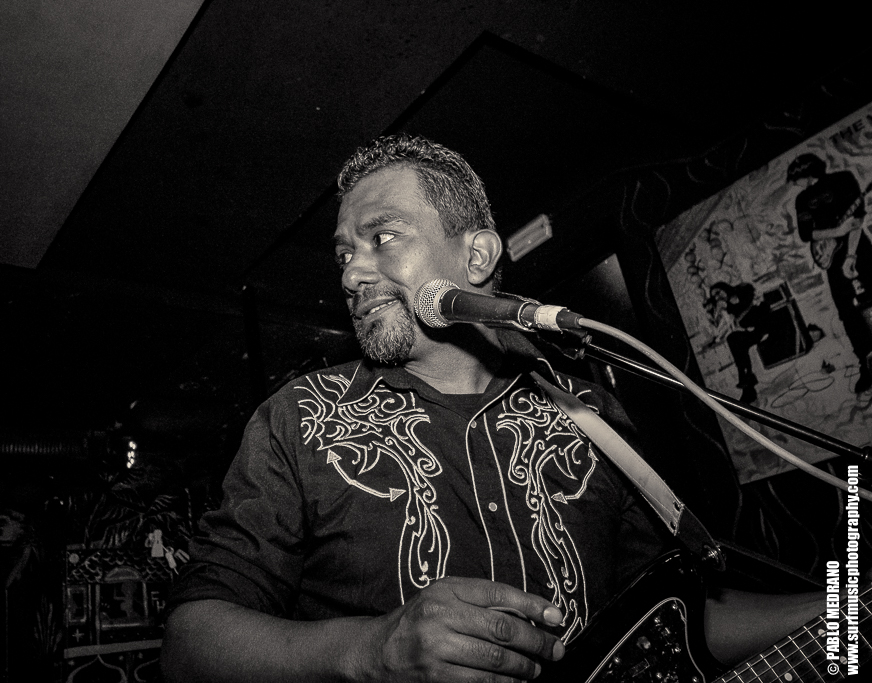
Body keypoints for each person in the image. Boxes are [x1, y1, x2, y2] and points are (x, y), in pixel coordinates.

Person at [161, 134, 825, 682]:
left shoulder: (588, 414)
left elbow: (673, 614)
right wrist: (370, 649)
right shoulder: (300, 417)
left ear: (475, 255)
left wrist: (843, 608)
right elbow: (190, 644)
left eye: (382, 238)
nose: (352, 274)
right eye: (344, 254)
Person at [788, 152, 872, 393]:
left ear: (805, 173)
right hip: (832, 260)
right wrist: (836, 232)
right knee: (847, 312)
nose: (795, 184)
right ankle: (866, 363)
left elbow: (856, 221)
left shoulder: (843, 179)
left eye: (796, 178)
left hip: (859, 250)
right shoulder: (803, 199)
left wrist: (851, 256)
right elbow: (807, 234)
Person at [704, 281, 772, 404]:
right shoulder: (728, 307)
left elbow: (747, 305)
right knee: (734, 340)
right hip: (750, 329)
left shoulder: (743, 290)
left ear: (724, 287)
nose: (718, 297)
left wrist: (729, 308)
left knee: (737, 342)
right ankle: (747, 383)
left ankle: (747, 383)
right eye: (715, 297)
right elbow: (734, 323)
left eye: (718, 292)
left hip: (761, 324)